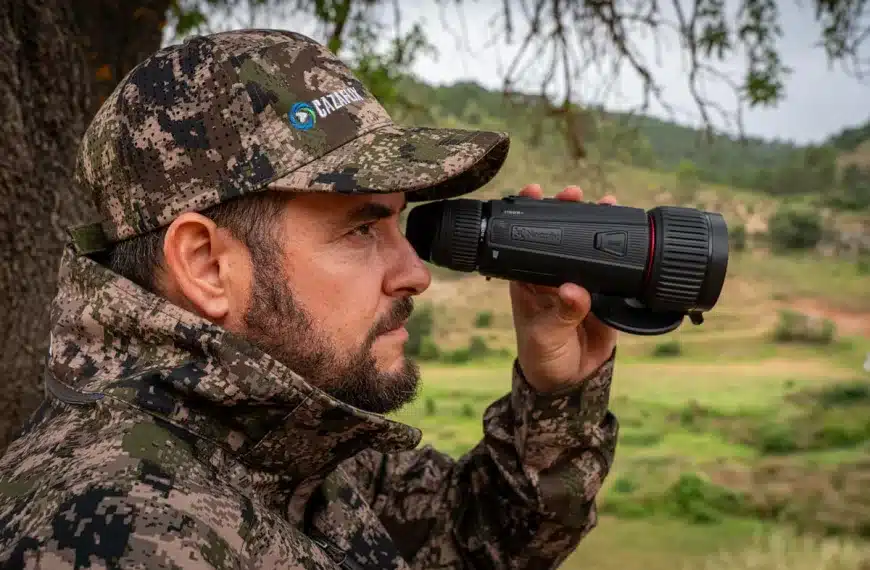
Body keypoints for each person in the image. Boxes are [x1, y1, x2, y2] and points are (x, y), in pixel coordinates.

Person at [0, 29, 619, 569]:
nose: (414, 274)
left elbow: (470, 539)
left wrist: (556, 390)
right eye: (361, 230)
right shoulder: (118, 535)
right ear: (206, 265)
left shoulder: (282, 442)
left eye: (397, 224)